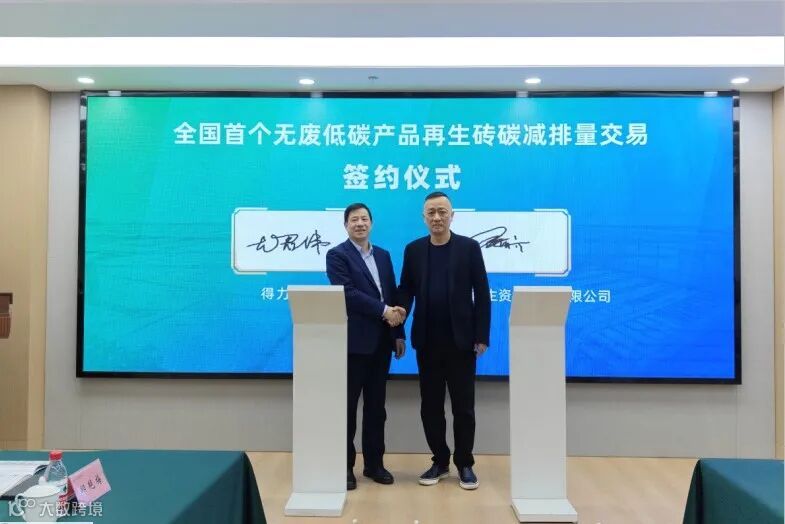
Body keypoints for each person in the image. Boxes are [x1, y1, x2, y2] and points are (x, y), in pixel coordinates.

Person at [397, 191, 490, 490]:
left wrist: (482, 335)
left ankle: (465, 463)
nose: (437, 217)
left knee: (463, 407)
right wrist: (398, 326)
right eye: (431, 213)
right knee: (431, 407)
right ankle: (440, 460)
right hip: (427, 342)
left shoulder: (469, 248)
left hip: (461, 343)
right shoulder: (413, 250)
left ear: (452, 215)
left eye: (442, 212)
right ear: (423, 217)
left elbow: (482, 293)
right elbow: (405, 291)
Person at [326, 203, 407, 491]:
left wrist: (398, 333)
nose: (359, 223)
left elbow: (391, 294)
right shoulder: (337, 255)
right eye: (354, 220)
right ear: (346, 225)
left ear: (371, 223)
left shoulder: (383, 255)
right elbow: (347, 294)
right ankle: (345, 467)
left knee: (376, 408)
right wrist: (385, 311)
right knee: (347, 408)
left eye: (364, 219)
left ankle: (374, 465)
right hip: (353, 344)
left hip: (382, 344)